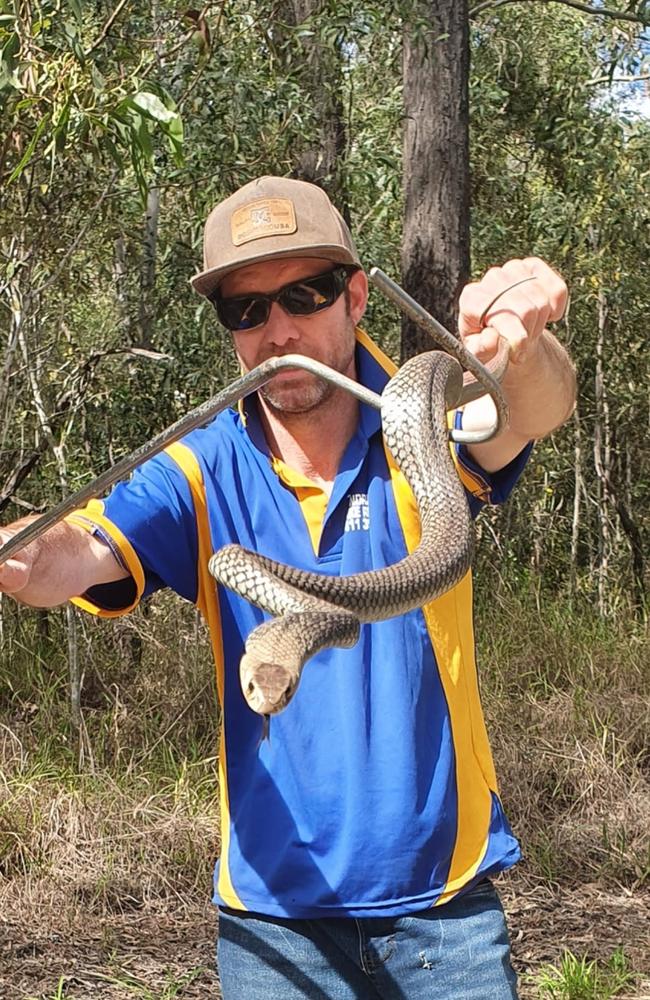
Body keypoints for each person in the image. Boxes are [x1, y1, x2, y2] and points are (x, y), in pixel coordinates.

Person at [0, 176, 576, 999]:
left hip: (444, 915)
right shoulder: (198, 469)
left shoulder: (418, 416)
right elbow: (72, 554)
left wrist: (523, 342)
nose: (278, 331)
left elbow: (531, 409)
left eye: (304, 294)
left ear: (357, 297)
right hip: (273, 925)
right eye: (247, 311)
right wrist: (22, 552)